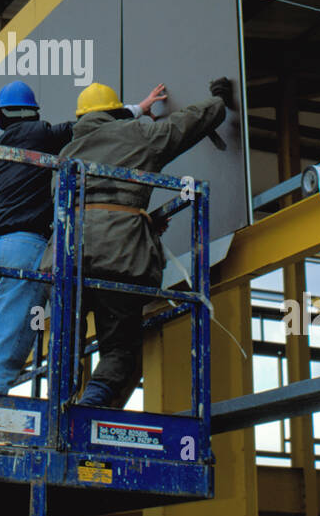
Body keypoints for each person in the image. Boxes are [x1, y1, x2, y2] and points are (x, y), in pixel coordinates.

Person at [42, 78, 234, 409]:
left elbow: (81, 206)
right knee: (119, 347)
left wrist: (136, 217)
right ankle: (92, 403)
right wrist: (217, 100)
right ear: (116, 112)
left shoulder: (65, 155)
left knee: (65, 341)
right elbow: (186, 124)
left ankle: (58, 408)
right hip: (119, 254)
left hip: (65, 257)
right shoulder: (137, 134)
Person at [0, 79, 167, 395]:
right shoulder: (38, 134)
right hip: (23, 248)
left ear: (1, 116)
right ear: (32, 113)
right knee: (6, 351)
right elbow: (88, 127)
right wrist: (138, 109)